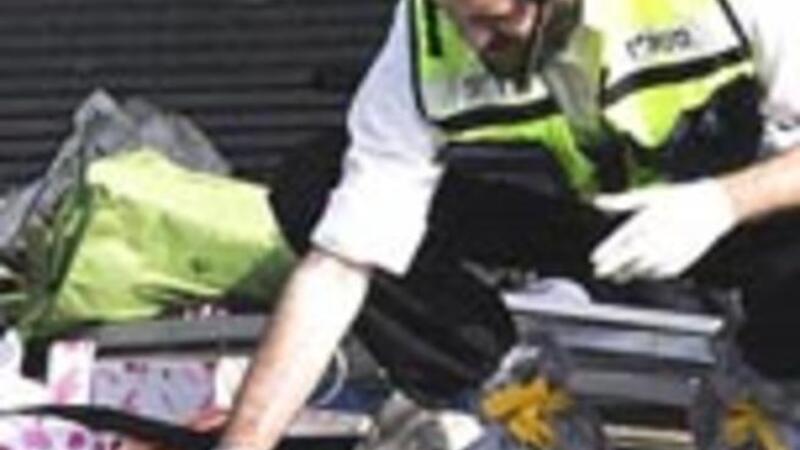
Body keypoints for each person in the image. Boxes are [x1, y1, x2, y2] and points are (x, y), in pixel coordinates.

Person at [217, 0, 800, 448]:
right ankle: (522, 404)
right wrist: (244, 441)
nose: (479, 43)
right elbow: (339, 268)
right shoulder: (422, 39)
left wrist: (723, 202)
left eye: (504, 19)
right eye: (466, 20)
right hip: (569, 216)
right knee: (318, 187)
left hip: (734, 214)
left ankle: (767, 393)